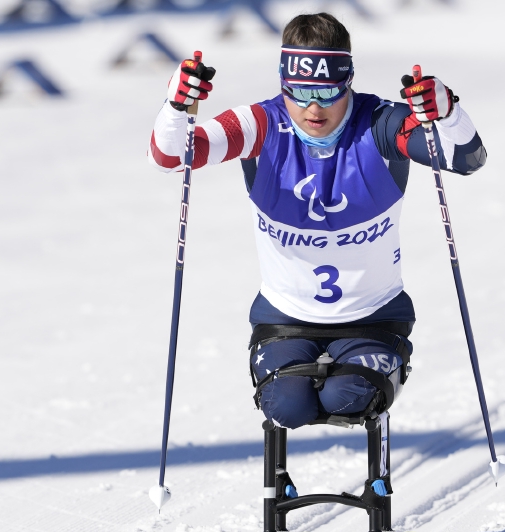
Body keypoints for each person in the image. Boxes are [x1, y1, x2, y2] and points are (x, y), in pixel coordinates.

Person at [150, 13, 485, 451]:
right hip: (285, 319)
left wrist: (447, 111)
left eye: (328, 92)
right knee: (287, 406)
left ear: (348, 82)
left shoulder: (380, 123)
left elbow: (466, 158)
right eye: (301, 92)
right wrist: (177, 108)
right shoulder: (260, 123)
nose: (314, 108)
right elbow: (172, 154)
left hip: (373, 316)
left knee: (346, 398)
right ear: (283, 84)